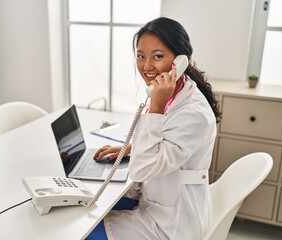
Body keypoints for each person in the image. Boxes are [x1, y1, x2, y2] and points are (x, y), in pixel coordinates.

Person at [88, 17, 221, 240]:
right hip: (157, 199)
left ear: (180, 61)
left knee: (85, 231)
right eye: (141, 56)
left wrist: (156, 107)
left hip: (173, 224)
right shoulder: (174, 92)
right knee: (90, 207)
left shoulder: (193, 113)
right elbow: (166, 142)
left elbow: (141, 170)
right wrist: (130, 148)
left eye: (158, 56)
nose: (147, 66)